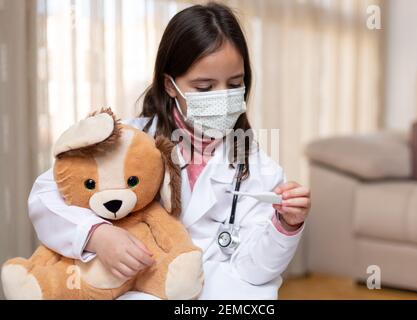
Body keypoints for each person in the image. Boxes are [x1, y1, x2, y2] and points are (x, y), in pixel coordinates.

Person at [29, 2, 311, 299]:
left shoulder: (258, 168)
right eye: (204, 87)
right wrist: (96, 235)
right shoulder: (123, 141)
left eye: (234, 84)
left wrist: (285, 225)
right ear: (170, 85)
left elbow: (256, 270)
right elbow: (46, 196)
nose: (222, 98)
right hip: (143, 288)